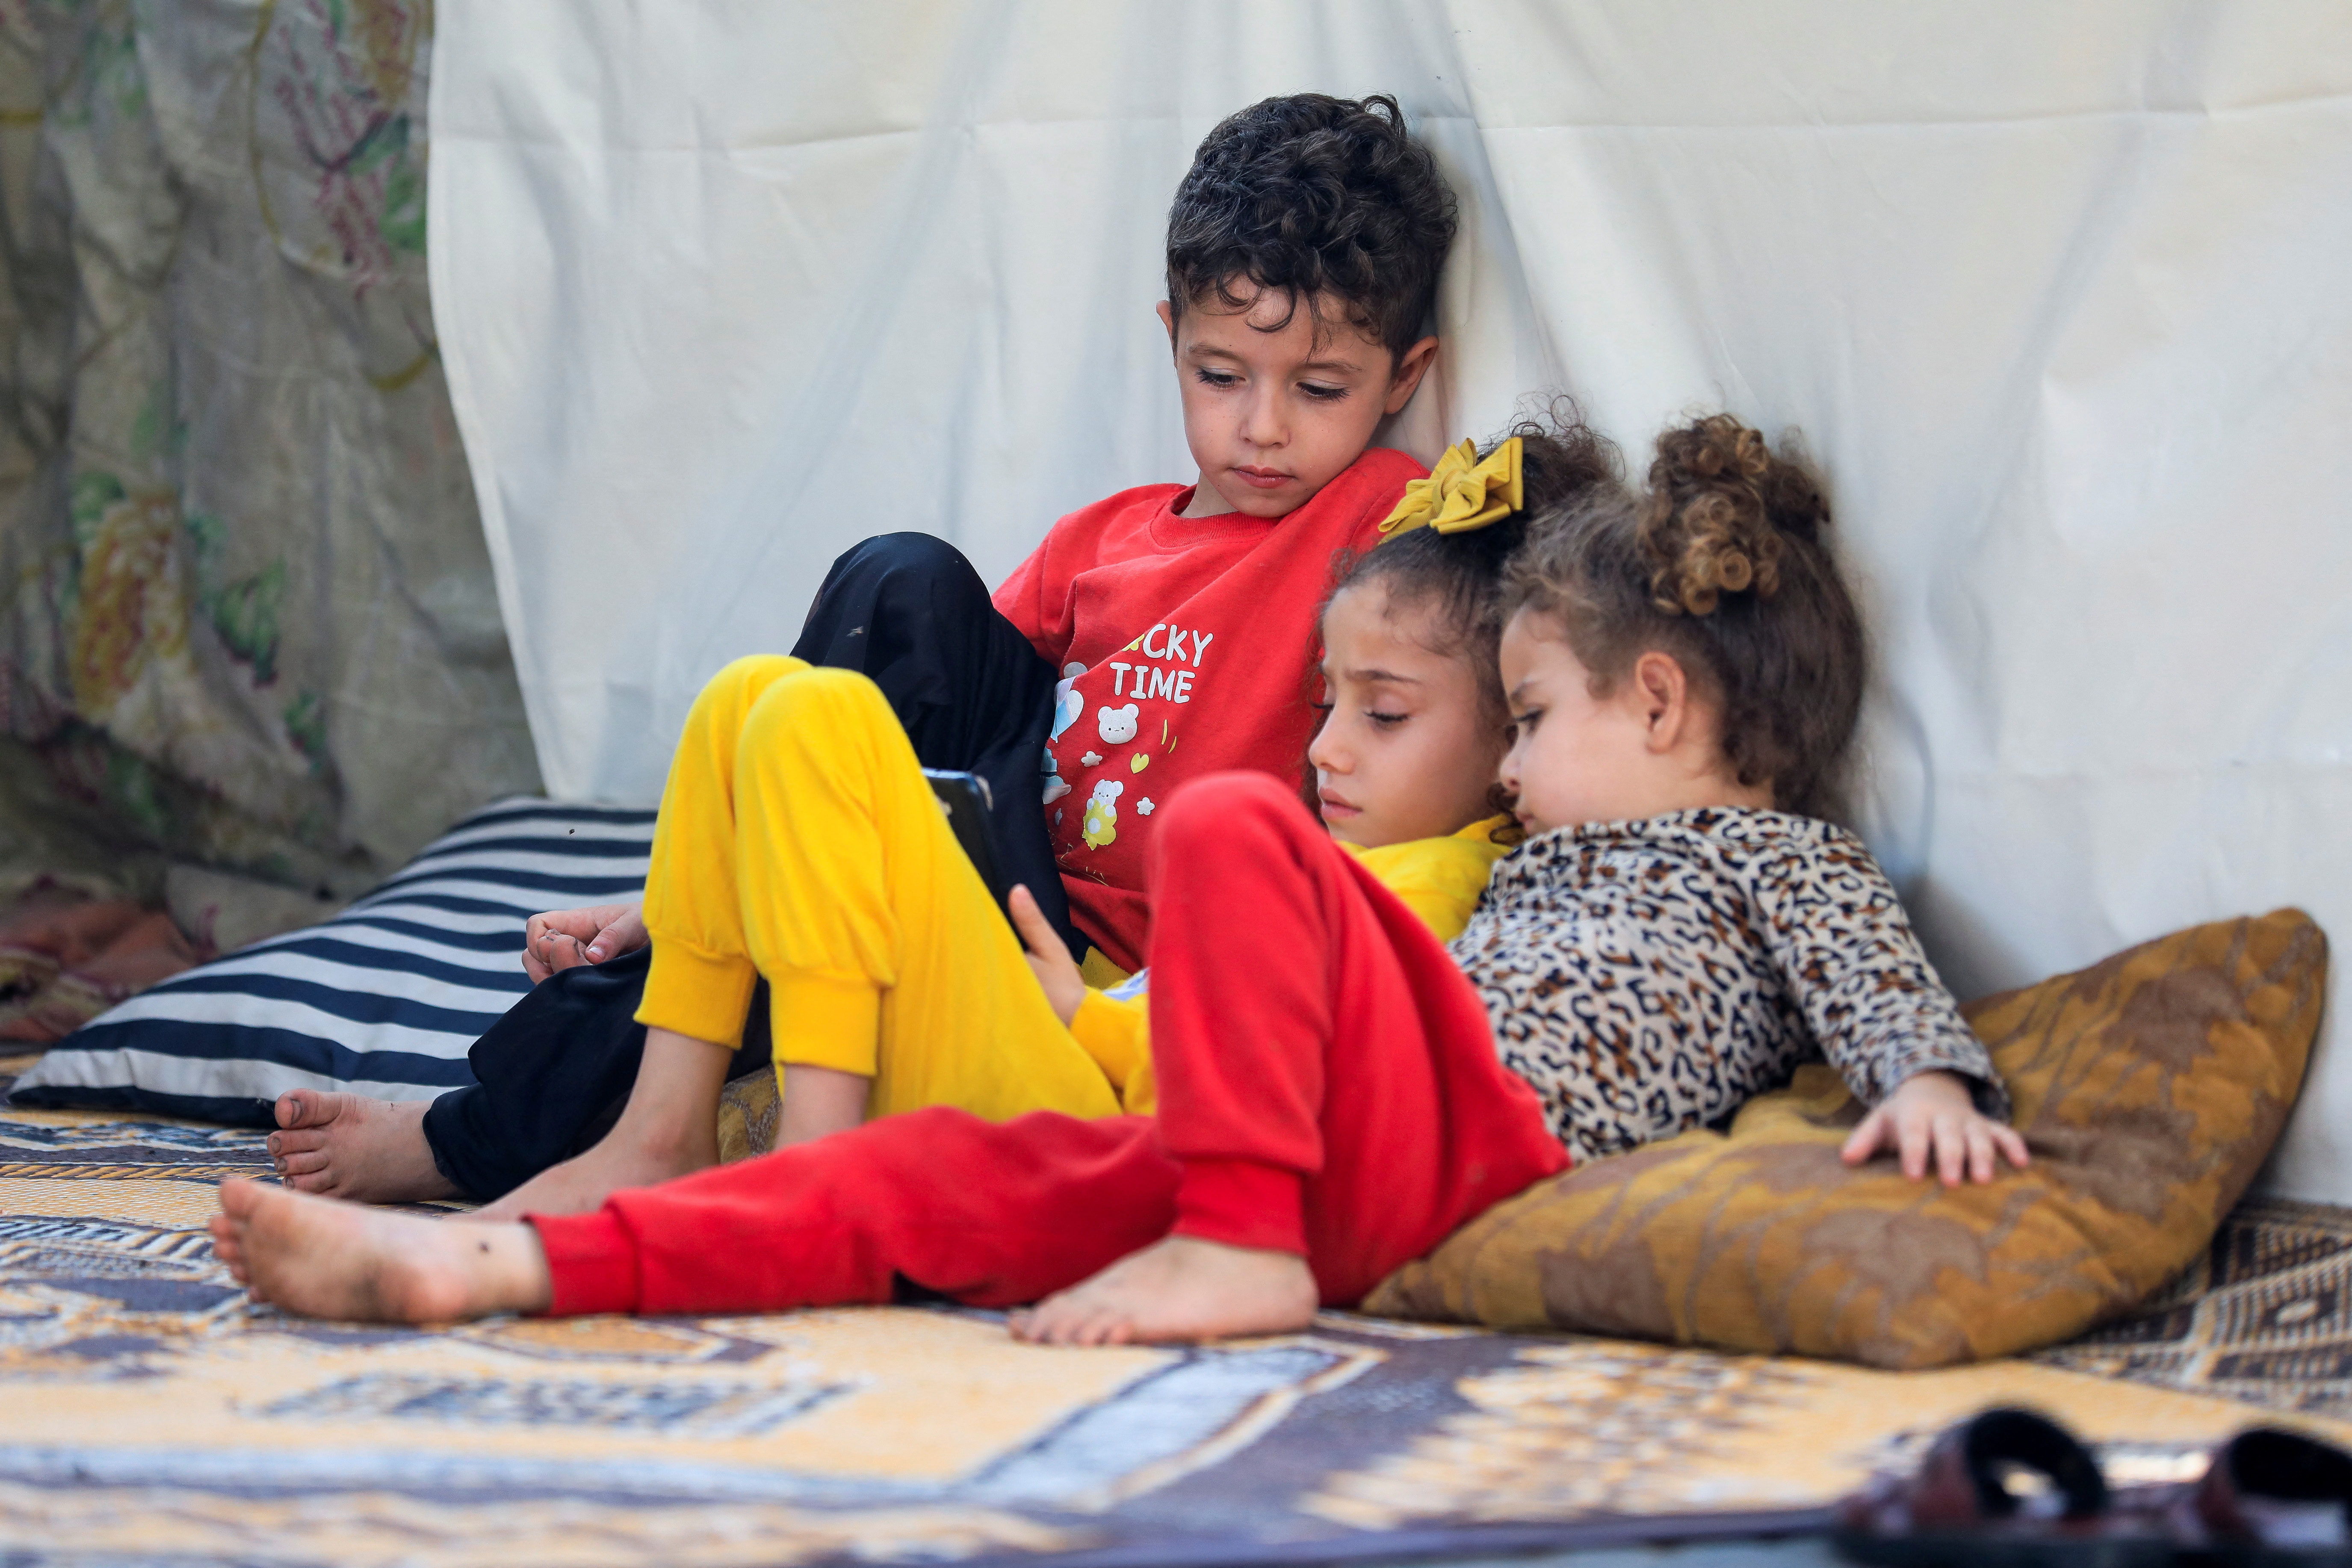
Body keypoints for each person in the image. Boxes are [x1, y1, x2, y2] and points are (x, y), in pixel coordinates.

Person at [210, 413, 2028, 1342]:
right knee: (913, 1180)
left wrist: (1930, 1078)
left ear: (1662, 699)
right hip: (1288, 1145)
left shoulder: (1761, 847)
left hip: (1456, 1128)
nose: (1522, 762)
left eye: (1532, 716)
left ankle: (1230, 1255)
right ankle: (513, 1267)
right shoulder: (1543, 848)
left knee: (1235, 820)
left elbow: (1866, 960)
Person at [257, 92, 1459, 1205]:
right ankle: (683, 923)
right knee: (901, 581)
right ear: (1170, 337)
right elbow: (919, 704)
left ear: (1405, 377)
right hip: (985, 876)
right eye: (1220, 373)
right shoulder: (1108, 539)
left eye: (1318, 387)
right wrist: (680, 894)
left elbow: (1494, 571)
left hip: (1089, 967)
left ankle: (463, 1140)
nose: (1261, 427)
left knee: (803, 930)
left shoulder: (1372, 515)